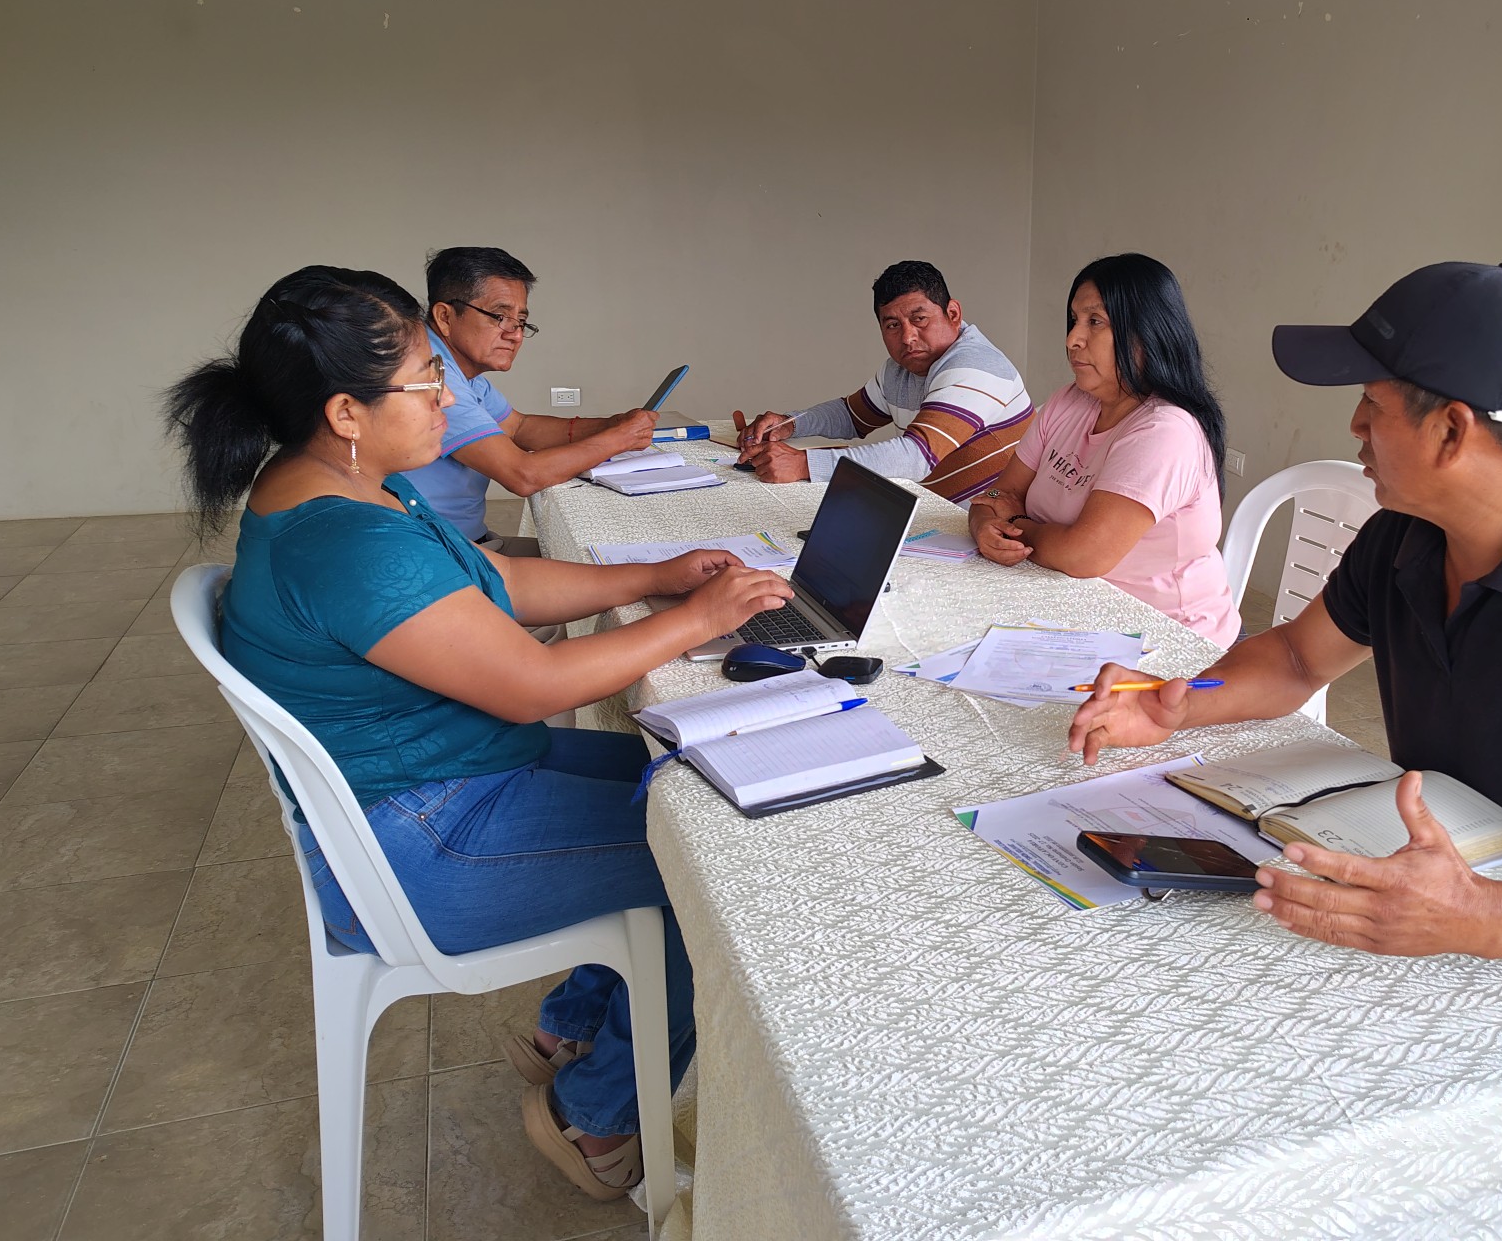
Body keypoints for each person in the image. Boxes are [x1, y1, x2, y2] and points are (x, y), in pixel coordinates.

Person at [163, 266, 792, 1201]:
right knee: (718, 860)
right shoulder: (345, 541)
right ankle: (595, 1118)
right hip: (421, 842)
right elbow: (532, 685)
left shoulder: (348, 483)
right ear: (345, 410)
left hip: (442, 781)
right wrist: (698, 621)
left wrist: (655, 577)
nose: (448, 399)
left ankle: (572, 1029)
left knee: (691, 774)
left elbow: (497, 588)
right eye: (427, 379)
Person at [1068, 261, 1502, 975]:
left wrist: (1478, 914)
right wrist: (1176, 707)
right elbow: (1298, 659)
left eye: (1371, 404)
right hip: (1427, 904)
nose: (1354, 425)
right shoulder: (1406, 535)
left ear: (1450, 431)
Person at [968, 254, 1239, 648]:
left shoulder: (1165, 430)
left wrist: (1016, 523)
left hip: (1163, 639)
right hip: (1069, 607)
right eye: (1074, 320)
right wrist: (982, 525)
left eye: (1095, 322)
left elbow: (1083, 555)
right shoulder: (1069, 401)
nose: (1072, 339)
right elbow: (999, 492)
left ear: (1147, 333)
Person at [412, 246, 662, 554]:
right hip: (436, 555)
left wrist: (614, 424)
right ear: (445, 316)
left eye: (520, 321)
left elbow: (519, 427)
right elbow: (523, 475)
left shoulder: (459, 370)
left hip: (465, 543)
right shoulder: (431, 374)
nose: (515, 335)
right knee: (614, 564)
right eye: (499, 317)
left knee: (604, 559)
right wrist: (619, 438)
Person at [732, 259, 1031, 503]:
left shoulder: (975, 365)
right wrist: (790, 423)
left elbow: (916, 457)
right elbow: (851, 416)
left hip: (992, 527)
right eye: (892, 325)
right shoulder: (899, 369)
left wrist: (803, 465)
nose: (907, 337)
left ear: (952, 313)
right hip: (938, 518)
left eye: (919, 319)